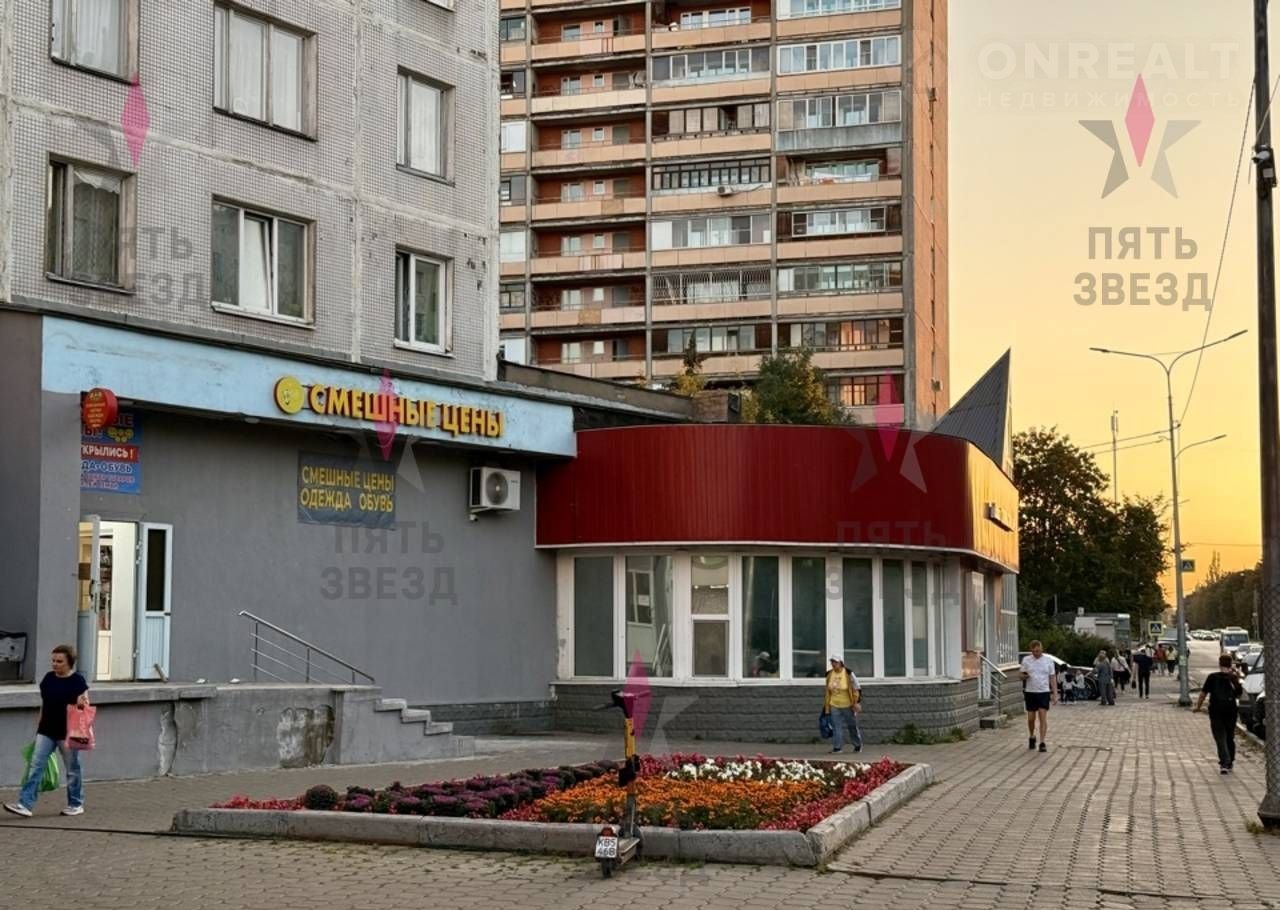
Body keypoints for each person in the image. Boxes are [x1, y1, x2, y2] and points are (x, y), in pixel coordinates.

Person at [4, 644, 90, 818]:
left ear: (69, 662)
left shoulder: (78, 681)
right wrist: (40, 722)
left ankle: (75, 804)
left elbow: (84, 707)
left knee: (72, 769)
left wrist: (82, 703)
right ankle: (25, 804)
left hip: (68, 732)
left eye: (59, 661)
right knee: (35, 766)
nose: (55, 664)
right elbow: (45, 703)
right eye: (53, 660)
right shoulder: (48, 678)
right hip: (46, 730)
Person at [1194, 654, 1244, 774]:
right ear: (1230, 664)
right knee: (1229, 736)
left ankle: (1224, 763)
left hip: (1216, 710)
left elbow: (1203, 694)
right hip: (1231, 710)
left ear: (1219, 664)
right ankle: (1230, 761)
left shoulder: (1212, 677)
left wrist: (1198, 707)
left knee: (1220, 737)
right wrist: (1236, 676)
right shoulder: (1233, 677)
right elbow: (1239, 694)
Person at [1019, 640, 1057, 752]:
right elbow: (1020, 675)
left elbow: (1052, 677)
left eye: (1038, 651)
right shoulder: (1026, 660)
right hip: (1030, 692)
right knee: (1031, 718)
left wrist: (1055, 693)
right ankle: (1032, 736)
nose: (1037, 653)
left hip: (1044, 692)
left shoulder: (1048, 660)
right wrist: (1024, 676)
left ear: (1042, 649)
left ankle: (1042, 742)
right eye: (1034, 651)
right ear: (1031, 650)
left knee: (1042, 717)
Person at [822, 655, 863, 754]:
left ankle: (857, 745)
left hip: (848, 704)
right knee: (836, 726)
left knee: (852, 725)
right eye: (832, 662)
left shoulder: (848, 673)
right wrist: (827, 705)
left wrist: (857, 702)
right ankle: (837, 747)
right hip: (834, 704)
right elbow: (827, 691)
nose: (833, 664)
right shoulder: (829, 674)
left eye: (835, 662)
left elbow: (857, 687)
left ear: (840, 663)